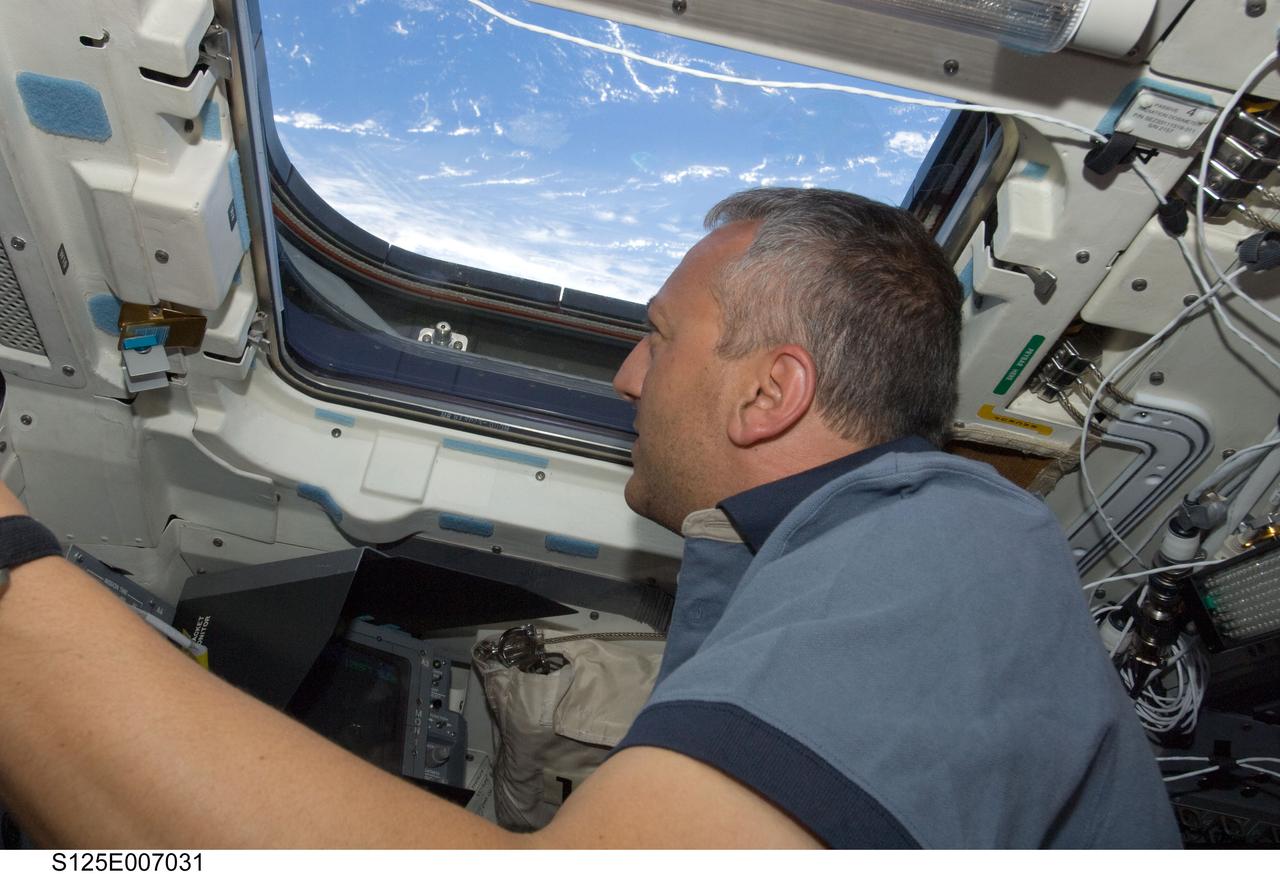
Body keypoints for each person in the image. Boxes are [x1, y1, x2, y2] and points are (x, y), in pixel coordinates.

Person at [0, 188, 1178, 848]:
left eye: (657, 336)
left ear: (769, 391)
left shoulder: (945, 544)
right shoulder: (820, 563)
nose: (625, 376)